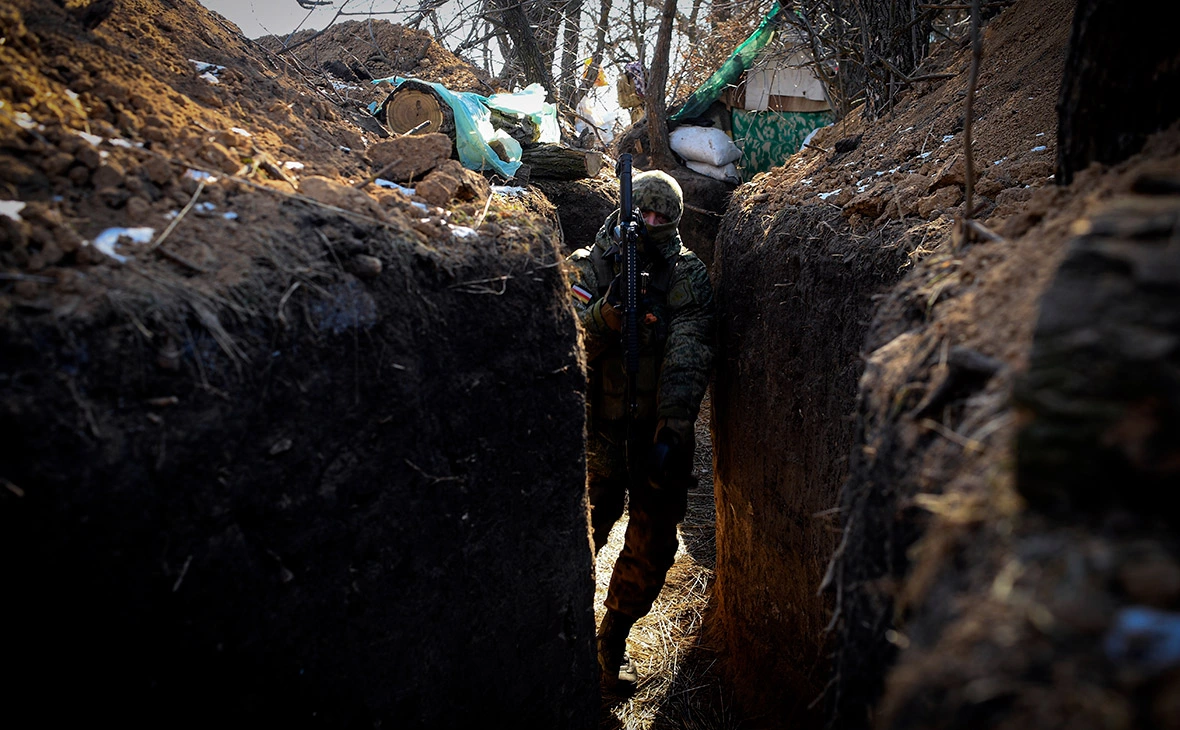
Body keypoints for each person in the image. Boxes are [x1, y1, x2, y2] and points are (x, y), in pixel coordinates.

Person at [565, 169, 716, 692]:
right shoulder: (589, 266)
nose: (650, 223)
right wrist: (605, 318)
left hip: (654, 432)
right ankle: (566, 633)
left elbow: (691, 346)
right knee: (582, 536)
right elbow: (567, 340)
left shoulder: (686, 273)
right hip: (599, 433)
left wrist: (673, 425)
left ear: (674, 221)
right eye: (642, 214)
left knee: (652, 546)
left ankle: (611, 640)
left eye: (660, 217)